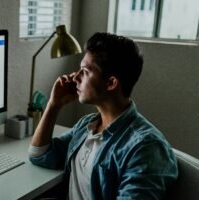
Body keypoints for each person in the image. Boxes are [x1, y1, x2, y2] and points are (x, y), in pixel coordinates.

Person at [29, 32, 178, 200]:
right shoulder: (88, 125)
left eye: (85, 71)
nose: (75, 77)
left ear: (111, 83)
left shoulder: (145, 148)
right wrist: (54, 105)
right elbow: (40, 155)